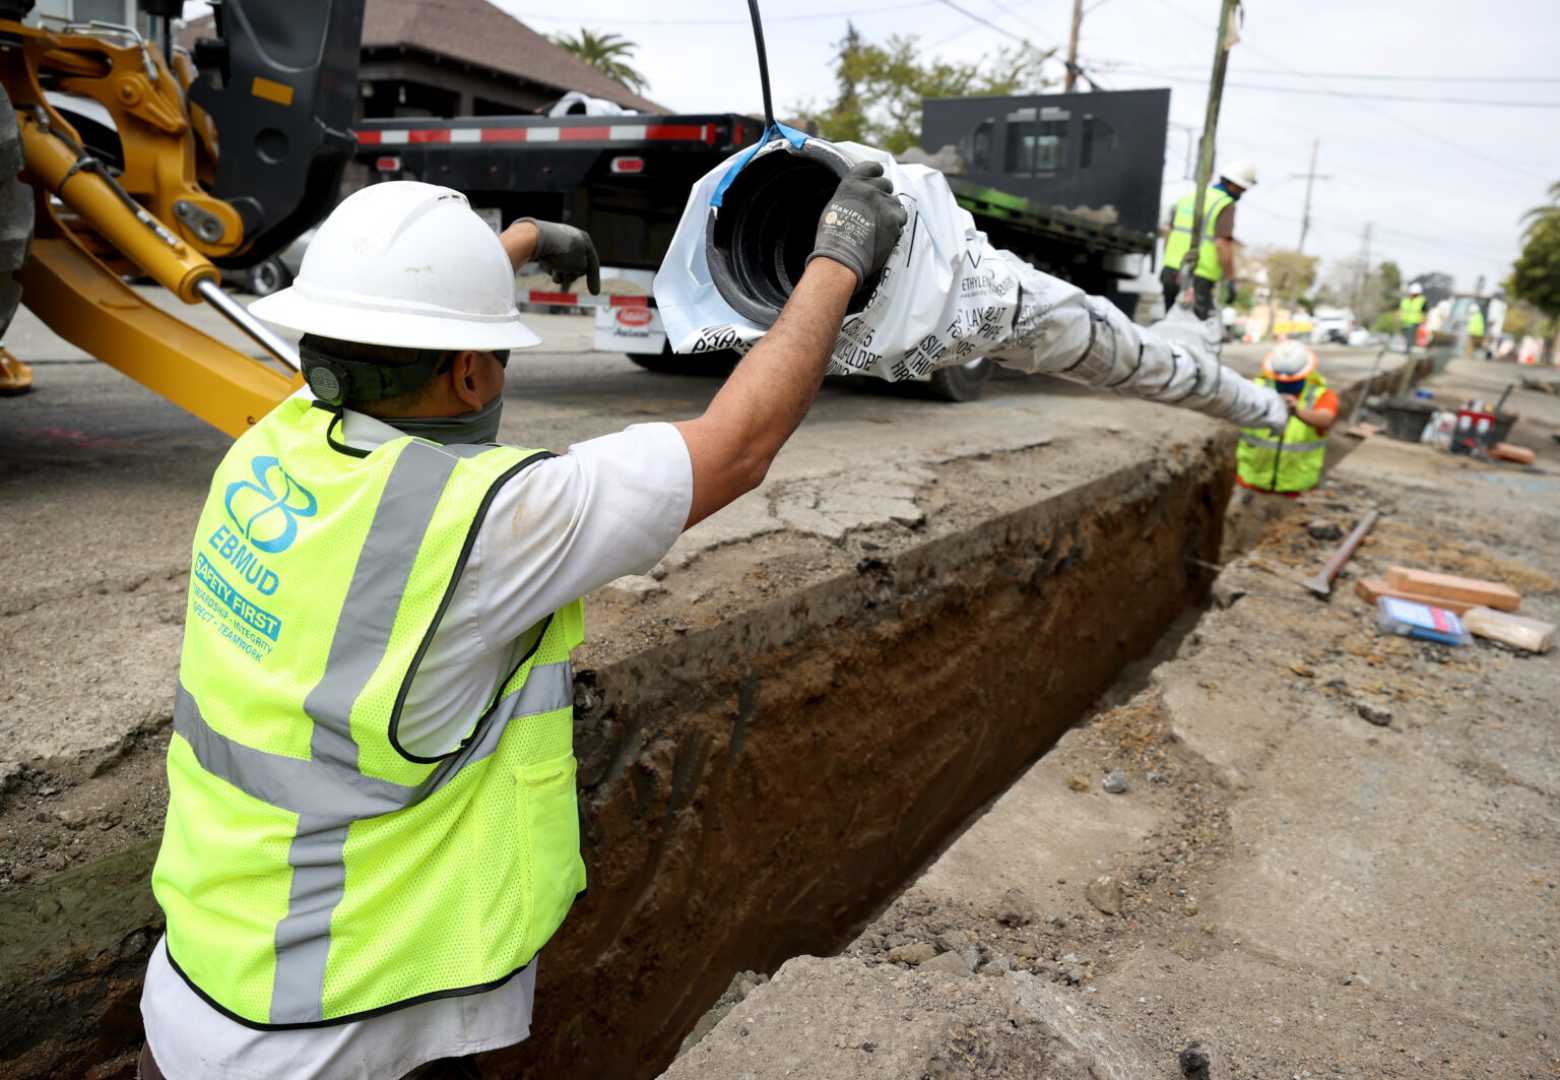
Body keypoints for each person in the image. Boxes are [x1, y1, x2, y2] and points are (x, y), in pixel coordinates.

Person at [137, 169, 907, 1079]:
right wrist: (837, 257)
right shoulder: (486, 525)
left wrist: (520, 243)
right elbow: (736, 447)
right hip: (346, 1036)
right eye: (492, 352)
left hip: (199, 996)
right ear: (469, 371)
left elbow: (383, 328)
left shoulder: (275, 441)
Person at [1236, 340, 1338, 498]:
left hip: (1296, 489)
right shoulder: (1256, 388)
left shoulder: (1320, 394)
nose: (1284, 384)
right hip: (1250, 482)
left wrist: (1297, 410)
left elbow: (1325, 420)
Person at [1160, 160, 1258, 320]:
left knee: (1171, 322)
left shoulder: (1189, 198)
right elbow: (1222, 244)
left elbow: (1170, 233)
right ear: (1234, 185)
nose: (1242, 193)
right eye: (1242, 189)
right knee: (1196, 329)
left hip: (1170, 271)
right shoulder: (1225, 204)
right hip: (1199, 275)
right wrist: (1230, 279)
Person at [1398, 282, 1426, 353]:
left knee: (1410, 337)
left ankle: (1408, 350)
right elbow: (1401, 310)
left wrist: (1423, 321)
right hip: (1405, 322)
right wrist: (1399, 318)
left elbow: (1424, 312)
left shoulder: (1422, 300)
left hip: (1415, 322)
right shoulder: (1405, 300)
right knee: (1406, 337)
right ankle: (1407, 349)